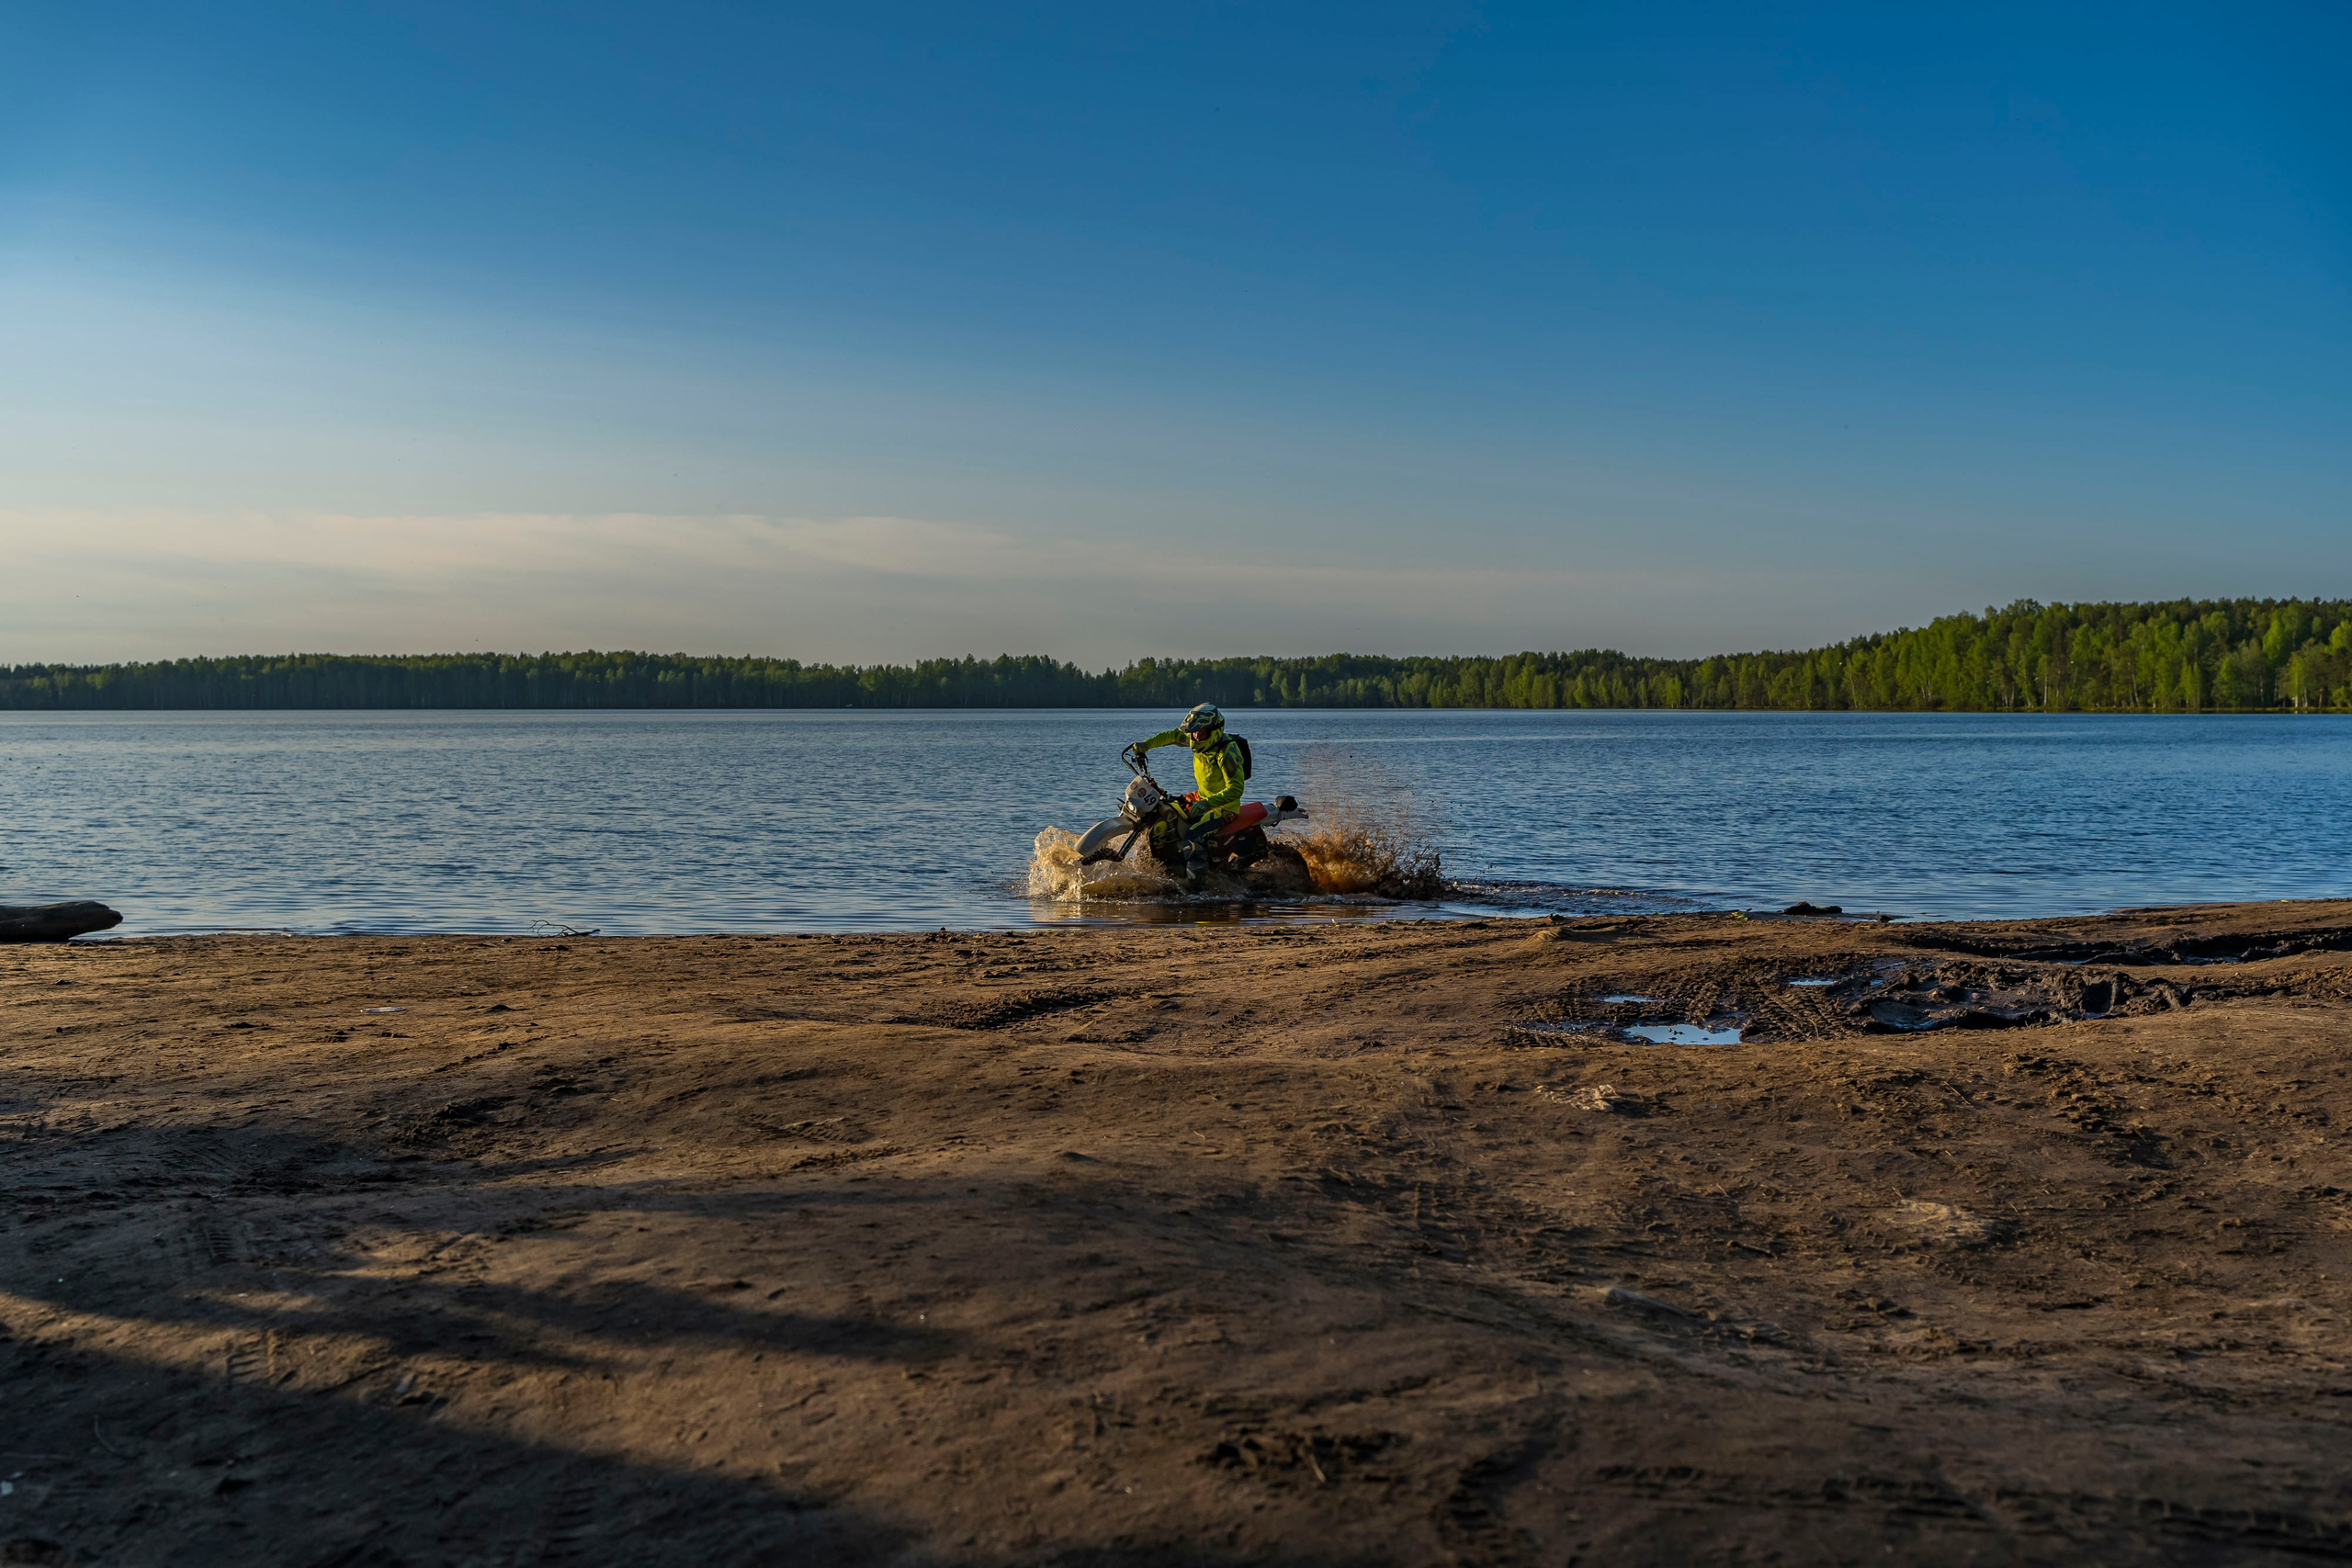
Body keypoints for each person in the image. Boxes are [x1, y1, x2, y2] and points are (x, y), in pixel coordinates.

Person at [1130, 703, 1246, 873]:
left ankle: (1198, 885)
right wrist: (1145, 745)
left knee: (1193, 836)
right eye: (1194, 732)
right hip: (1202, 796)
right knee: (1165, 808)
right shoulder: (1197, 740)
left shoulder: (1226, 753)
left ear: (1214, 731)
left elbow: (1236, 790)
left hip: (1224, 807)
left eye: (1201, 732)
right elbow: (1172, 736)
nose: (1196, 736)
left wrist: (1208, 803)